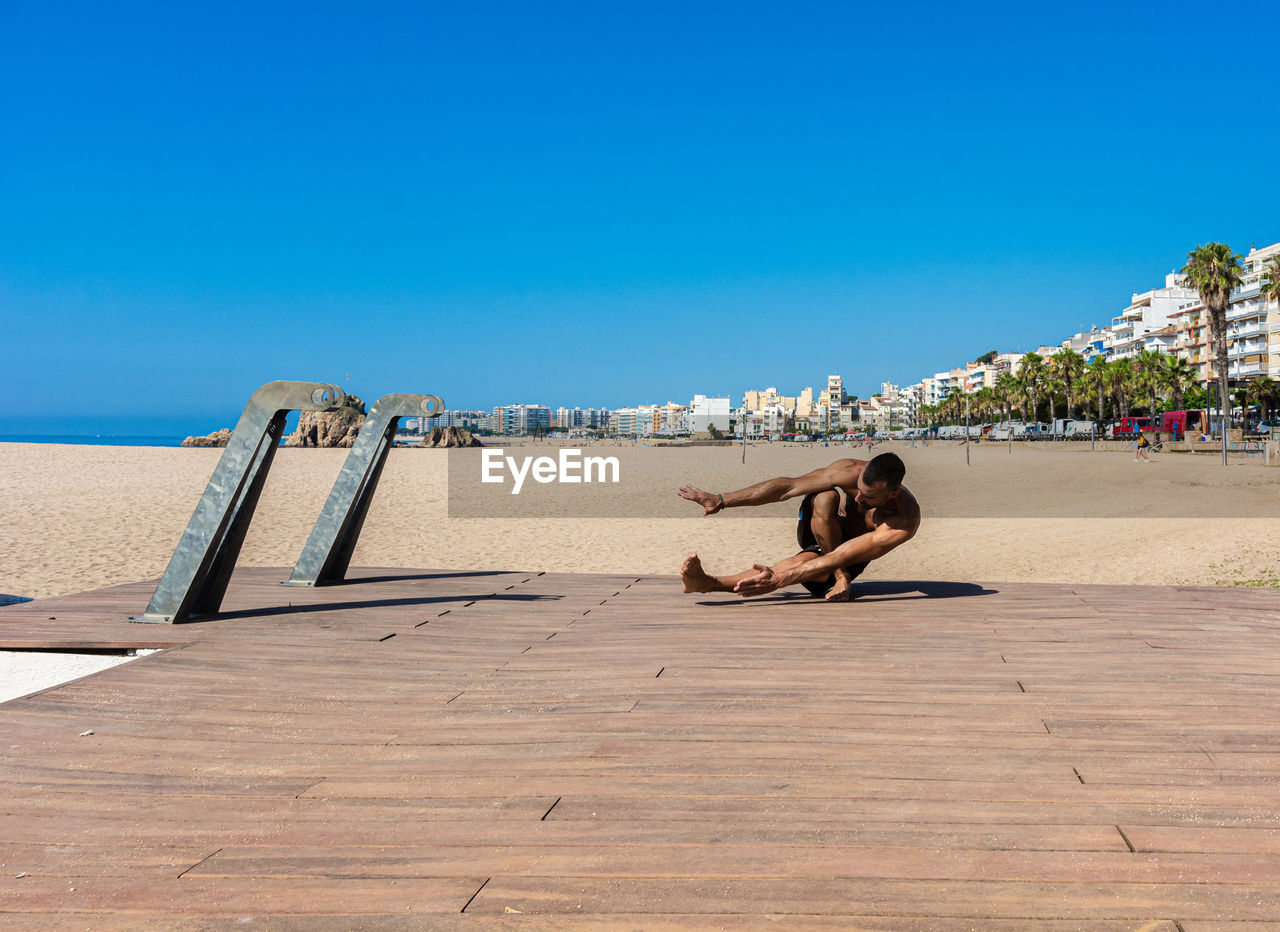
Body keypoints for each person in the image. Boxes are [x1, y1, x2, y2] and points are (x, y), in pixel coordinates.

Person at [676, 452, 921, 601]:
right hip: (819, 527)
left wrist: (780, 579)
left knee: (803, 565)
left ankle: (708, 583)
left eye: (868, 497)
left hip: (847, 555)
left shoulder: (903, 522)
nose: (857, 499)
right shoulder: (849, 470)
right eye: (858, 489)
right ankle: (840, 577)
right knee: (825, 495)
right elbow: (788, 487)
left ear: (893, 493)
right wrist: (720, 500)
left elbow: (841, 555)